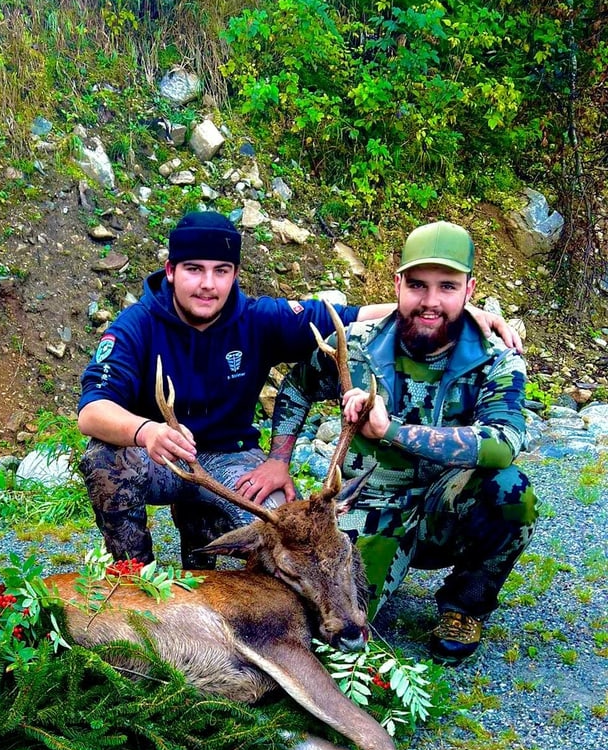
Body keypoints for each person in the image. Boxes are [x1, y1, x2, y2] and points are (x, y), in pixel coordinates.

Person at [77, 210, 519, 571]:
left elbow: (353, 315)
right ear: (171, 271)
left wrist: (450, 311)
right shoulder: (135, 327)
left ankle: (222, 573)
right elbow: (91, 411)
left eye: (221, 271)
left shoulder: (258, 319)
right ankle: (135, 581)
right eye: (194, 270)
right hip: (164, 457)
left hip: (233, 461)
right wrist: (146, 432)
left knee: (285, 534)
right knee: (104, 460)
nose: (207, 284)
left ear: (234, 274)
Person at [272, 220, 537, 663]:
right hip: (367, 508)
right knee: (330, 631)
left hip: (443, 508)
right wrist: (279, 459)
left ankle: (464, 606)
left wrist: (391, 431)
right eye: (417, 285)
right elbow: (297, 388)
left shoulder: (497, 361)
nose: (430, 301)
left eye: (447, 286)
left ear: (469, 290)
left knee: (510, 491)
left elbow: (504, 440)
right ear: (397, 284)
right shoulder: (352, 347)